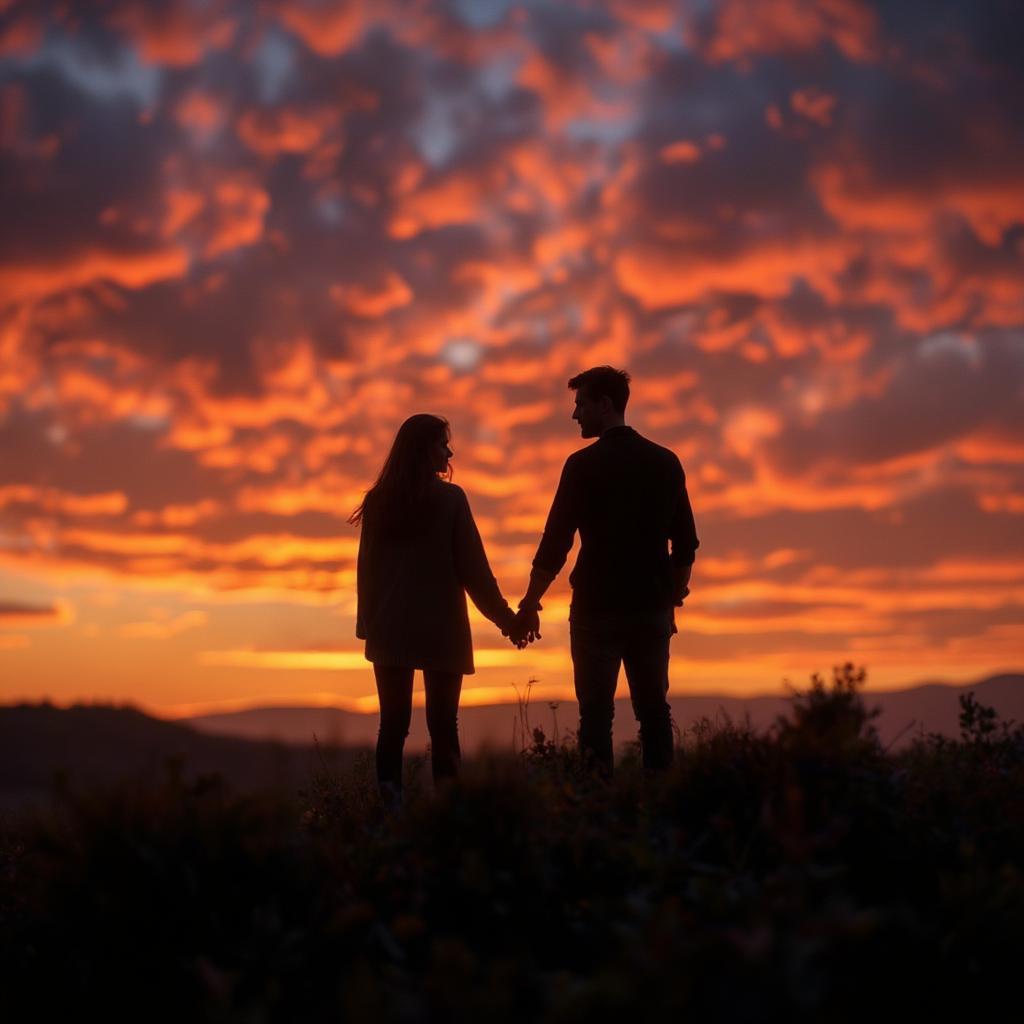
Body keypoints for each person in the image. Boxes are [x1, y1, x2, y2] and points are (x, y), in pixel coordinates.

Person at [514, 367, 699, 777]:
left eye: (580, 404)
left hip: (595, 612)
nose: (574, 415)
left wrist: (530, 602)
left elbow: (555, 543)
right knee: (654, 714)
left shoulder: (582, 466)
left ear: (604, 404)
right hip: (650, 608)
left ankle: (596, 814)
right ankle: (659, 812)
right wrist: (673, 594)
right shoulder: (665, 462)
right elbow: (685, 543)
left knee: (595, 719)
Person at [350, 414, 524, 807]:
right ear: (423, 449)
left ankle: (391, 811)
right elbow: (475, 571)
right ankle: (450, 811)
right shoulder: (450, 499)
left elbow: (368, 571)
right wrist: (506, 620)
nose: (450, 451)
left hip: (390, 631)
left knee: (392, 727)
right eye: (443, 443)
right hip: (442, 632)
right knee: (444, 727)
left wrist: (367, 627)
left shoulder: (379, 502)